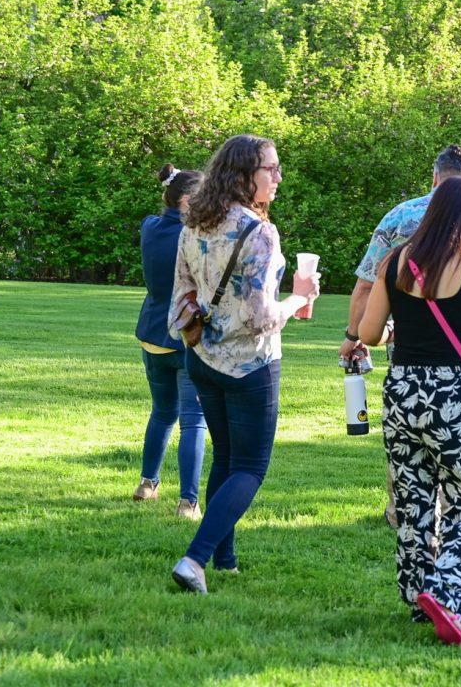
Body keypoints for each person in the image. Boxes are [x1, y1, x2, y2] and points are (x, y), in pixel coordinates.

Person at [357, 176, 461, 646]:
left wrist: (403, 329)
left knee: (413, 498)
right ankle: (447, 592)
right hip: (453, 397)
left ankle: (417, 595)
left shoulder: (396, 264)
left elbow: (369, 334)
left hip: (403, 392)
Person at [338, 145, 461, 526]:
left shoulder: (400, 218)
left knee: (410, 440)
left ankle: (404, 508)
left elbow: (367, 283)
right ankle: (450, 511)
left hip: (408, 358)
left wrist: (354, 334)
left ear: (434, 176)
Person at [167, 134, 319, 593]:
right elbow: (259, 319)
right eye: (270, 169)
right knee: (250, 467)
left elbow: (182, 292)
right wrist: (298, 298)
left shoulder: (195, 220)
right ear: (243, 175)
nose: (278, 177)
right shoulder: (260, 232)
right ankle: (195, 559)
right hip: (250, 366)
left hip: (203, 359)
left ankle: (224, 558)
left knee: (228, 458)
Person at [133, 163, 207, 520]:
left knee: (162, 413)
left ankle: (148, 483)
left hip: (151, 335)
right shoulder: (194, 237)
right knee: (194, 421)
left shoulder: (150, 227)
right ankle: (188, 502)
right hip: (185, 338)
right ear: (188, 201)